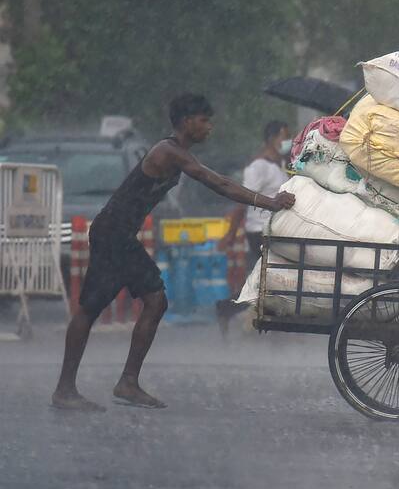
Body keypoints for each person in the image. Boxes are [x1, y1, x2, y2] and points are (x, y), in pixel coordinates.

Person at [51, 95, 296, 411]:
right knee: (99, 307)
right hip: (112, 234)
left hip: (119, 235)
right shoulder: (167, 152)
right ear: (186, 122)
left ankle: (123, 382)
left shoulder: (177, 153)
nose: (210, 127)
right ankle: (70, 389)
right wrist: (270, 202)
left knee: (142, 302)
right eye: (204, 120)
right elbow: (217, 182)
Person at [216, 120, 293, 333]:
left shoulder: (278, 165)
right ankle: (228, 308)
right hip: (259, 231)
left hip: (272, 230)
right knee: (265, 279)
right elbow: (243, 199)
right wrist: (231, 234)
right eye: (284, 137)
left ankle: (230, 309)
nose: (287, 142)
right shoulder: (258, 166)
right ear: (272, 139)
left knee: (265, 279)